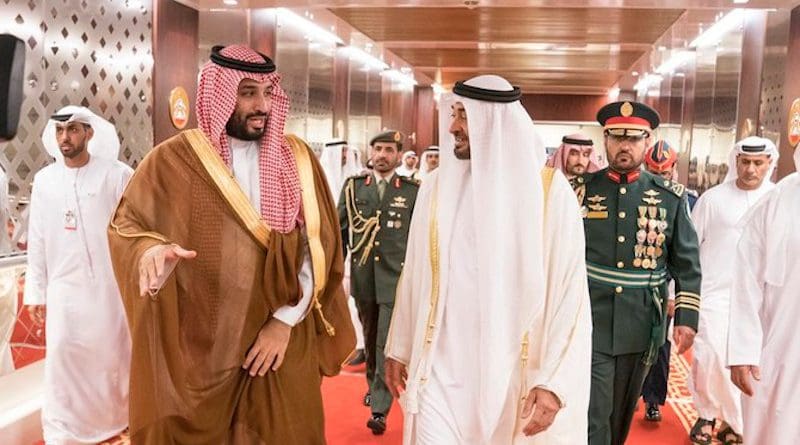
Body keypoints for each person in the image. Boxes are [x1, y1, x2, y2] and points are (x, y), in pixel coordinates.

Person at [107, 44, 355, 444]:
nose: (262, 106)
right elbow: (127, 226)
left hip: (280, 341)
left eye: (267, 93)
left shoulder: (298, 159)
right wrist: (149, 251)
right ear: (219, 95)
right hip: (206, 344)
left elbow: (317, 249)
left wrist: (284, 320)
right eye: (247, 93)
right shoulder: (173, 160)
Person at [384, 75, 592, 444]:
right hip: (439, 369)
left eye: (464, 116)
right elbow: (415, 273)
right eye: (455, 113)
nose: (453, 126)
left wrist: (555, 382)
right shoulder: (434, 187)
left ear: (492, 121)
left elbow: (570, 296)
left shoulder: (549, 194)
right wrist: (399, 346)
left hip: (512, 373)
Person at [581, 101, 701, 445]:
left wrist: (687, 318)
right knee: (595, 411)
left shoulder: (670, 198)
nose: (625, 146)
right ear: (605, 140)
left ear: (647, 142)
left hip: (641, 322)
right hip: (590, 316)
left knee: (620, 414)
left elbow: (687, 264)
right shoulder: (582, 190)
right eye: (617, 138)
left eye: (634, 139)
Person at [23, 106, 133, 443]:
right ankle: (63, 431)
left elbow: (134, 230)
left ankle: (117, 422)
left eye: (72, 130)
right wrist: (35, 292)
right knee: (61, 361)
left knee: (111, 359)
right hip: (63, 292)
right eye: (59, 131)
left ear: (89, 133)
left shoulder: (116, 175)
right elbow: (37, 238)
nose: (65, 138)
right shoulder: (44, 181)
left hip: (109, 291)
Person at [688, 136, 778, 445]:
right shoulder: (712, 199)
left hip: (758, 299)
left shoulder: (776, 199)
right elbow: (689, 248)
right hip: (715, 292)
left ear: (769, 164)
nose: (751, 169)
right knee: (710, 355)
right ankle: (706, 412)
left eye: (758, 163)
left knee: (749, 362)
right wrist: (679, 293)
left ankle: (732, 421)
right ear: (735, 162)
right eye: (745, 162)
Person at [337, 129, 419, 435]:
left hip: (395, 281)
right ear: (370, 153)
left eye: (388, 150)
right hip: (363, 278)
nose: (382, 155)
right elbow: (340, 232)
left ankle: (380, 409)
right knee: (371, 340)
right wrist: (334, 277)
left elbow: (418, 238)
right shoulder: (355, 187)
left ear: (399, 155)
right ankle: (373, 383)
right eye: (378, 149)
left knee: (384, 340)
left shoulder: (411, 191)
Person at [727, 145, 800, 445]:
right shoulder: (779, 201)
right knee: (777, 427)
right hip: (782, 347)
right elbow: (747, 280)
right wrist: (742, 352)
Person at [321, 138, 367, 366]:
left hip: (355, 247)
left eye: (347, 152)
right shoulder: (320, 177)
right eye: (341, 152)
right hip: (325, 247)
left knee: (353, 299)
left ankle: (359, 344)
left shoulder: (357, 179)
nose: (344, 156)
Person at [644, 140, 698, 208]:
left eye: (664, 174)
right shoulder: (636, 194)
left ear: (673, 169)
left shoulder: (687, 200)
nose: (659, 179)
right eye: (654, 173)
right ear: (646, 169)